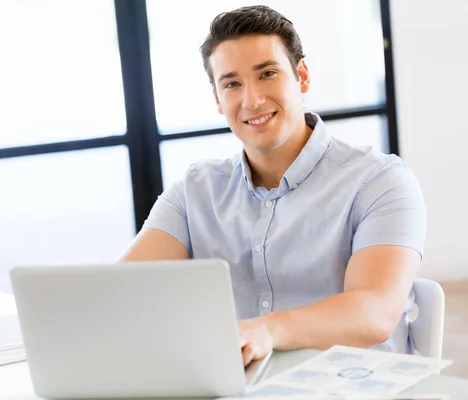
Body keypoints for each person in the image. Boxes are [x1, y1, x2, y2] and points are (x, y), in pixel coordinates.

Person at [121, 5, 426, 367]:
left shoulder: (380, 181)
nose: (252, 100)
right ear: (218, 100)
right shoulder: (193, 193)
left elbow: (373, 312)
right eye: (232, 83)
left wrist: (268, 330)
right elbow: (122, 291)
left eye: (267, 74)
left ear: (303, 76)